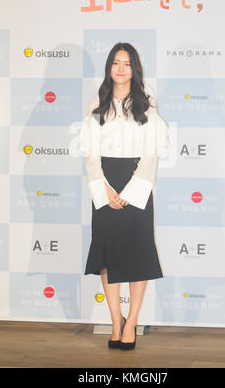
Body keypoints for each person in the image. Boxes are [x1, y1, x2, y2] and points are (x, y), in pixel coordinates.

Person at [78, 42, 171, 350]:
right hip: (103, 183)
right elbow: (90, 152)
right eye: (116, 63)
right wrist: (103, 188)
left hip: (136, 185)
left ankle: (131, 323)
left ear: (135, 69)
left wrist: (132, 191)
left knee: (137, 255)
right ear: (109, 67)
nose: (120, 68)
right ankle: (115, 321)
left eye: (126, 63)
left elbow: (151, 154)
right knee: (107, 256)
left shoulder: (146, 104)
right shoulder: (97, 103)